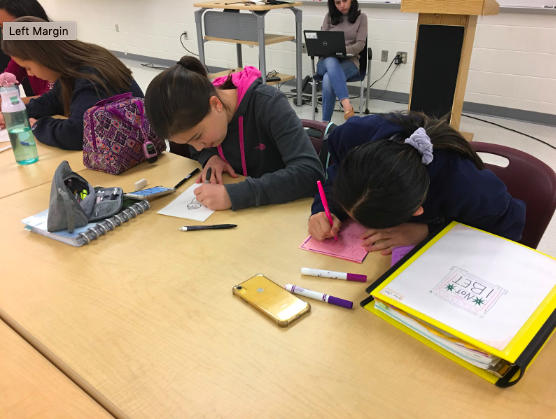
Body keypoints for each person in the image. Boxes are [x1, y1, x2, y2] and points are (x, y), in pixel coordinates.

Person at [308, 112, 526, 254]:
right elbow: (334, 175)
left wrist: (428, 231)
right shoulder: (351, 136)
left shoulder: (469, 188)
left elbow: (509, 229)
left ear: (417, 209)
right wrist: (325, 209)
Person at [144, 56, 324, 211]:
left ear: (216, 105)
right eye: (189, 143)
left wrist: (235, 195)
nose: (197, 147)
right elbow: (198, 150)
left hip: (278, 215)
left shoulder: (267, 104)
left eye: (197, 137)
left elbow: (310, 173)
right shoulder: (201, 117)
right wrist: (209, 157)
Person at [0, 17, 144, 150]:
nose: (30, 74)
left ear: (42, 56)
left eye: (28, 68)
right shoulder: (76, 63)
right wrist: (14, 116)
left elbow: (77, 134)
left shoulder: (90, 75)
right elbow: (52, 100)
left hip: (132, 154)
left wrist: (37, 126)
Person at [317, 0, 367, 123]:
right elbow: (322, 42)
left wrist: (342, 51)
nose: (342, 6)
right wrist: (332, 51)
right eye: (337, 2)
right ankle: (347, 106)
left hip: (350, 62)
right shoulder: (329, 16)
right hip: (326, 61)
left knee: (329, 78)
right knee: (331, 60)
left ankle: (325, 123)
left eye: (345, 1)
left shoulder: (361, 18)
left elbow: (360, 44)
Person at [0, 0, 53, 103]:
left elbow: (57, 99)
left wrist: (12, 101)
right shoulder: (22, 51)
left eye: (11, 27)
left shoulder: (57, 53)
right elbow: (7, 79)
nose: (5, 33)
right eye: (2, 27)